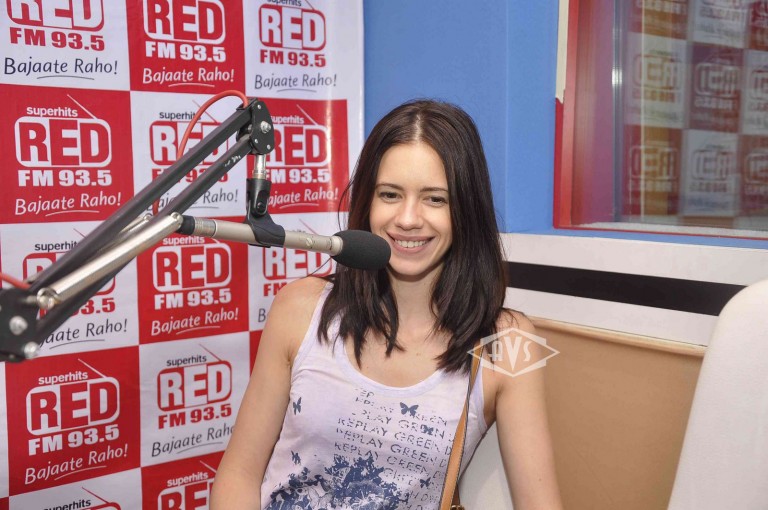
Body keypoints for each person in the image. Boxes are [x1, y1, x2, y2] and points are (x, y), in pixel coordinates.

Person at [211, 100, 563, 509]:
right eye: (390, 194)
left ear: (466, 210)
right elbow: (239, 474)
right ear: (367, 202)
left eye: (435, 199)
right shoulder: (300, 306)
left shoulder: (511, 341)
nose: (408, 219)